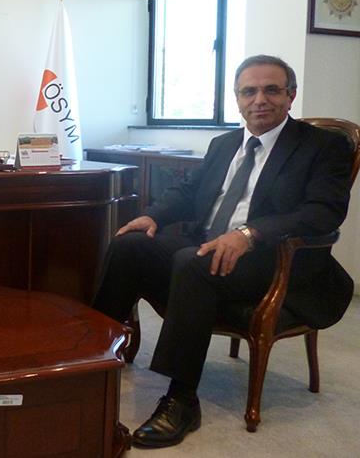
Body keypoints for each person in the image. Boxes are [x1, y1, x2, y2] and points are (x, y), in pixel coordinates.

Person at [91, 55, 354, 448]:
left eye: (271, 90)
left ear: (291, 95)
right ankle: (93, 358)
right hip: (209, 243)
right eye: (249, 91)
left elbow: (323, 211)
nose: (259, 100)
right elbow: (188, 192)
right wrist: (153, 216)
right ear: (237, 98)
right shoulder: (224, 143)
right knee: (129, 244)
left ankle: (181, 399)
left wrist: (250, 233)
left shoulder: (323, 146)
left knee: (193, 262)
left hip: (271, 259)